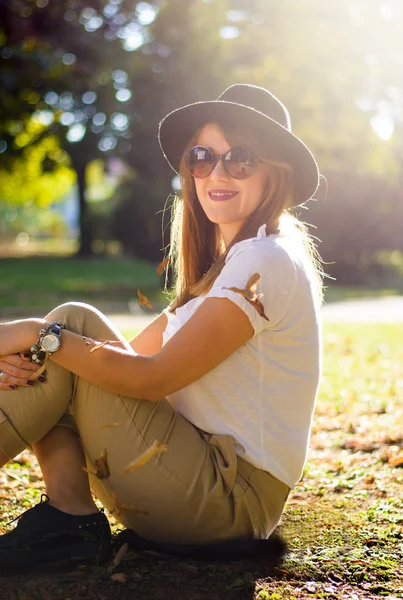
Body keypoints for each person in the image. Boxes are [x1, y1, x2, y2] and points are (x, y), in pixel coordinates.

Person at [0, 84, 323, 570]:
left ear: (276, 172)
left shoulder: (267, 258)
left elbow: (152, 378)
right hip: (191, 478)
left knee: (65, 328)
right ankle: (68, 521)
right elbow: (114, 362)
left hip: (229, 502)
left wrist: (35, 334)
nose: (216, 172)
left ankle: (69, 522)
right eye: (201, 157)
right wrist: (45, 349)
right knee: (73, 331)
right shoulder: (227, 266)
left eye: (239, 159)